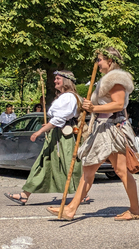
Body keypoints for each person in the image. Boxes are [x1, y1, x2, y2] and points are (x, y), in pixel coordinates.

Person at [46, 48, 139, 221]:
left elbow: (118, 105)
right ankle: (71, 209)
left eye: (100, 60)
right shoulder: (107, 80)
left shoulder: (116, 79)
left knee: (121, 171)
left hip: (112, 129)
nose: (97, 63)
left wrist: (94, 108)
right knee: (89, 170)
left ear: (110, 61)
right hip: (102, 128)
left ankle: (135, 210)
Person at [4, 71, 90, 206]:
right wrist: (50, 126)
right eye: (55, 78)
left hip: (64, 137)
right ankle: (24, 195)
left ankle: (82, 194)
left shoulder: (68, 97)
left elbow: (60, 119)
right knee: (43, 163)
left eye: (58, 79)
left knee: (69, 165)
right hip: (58, 134)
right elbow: (58, 119)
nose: (55, 81)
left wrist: (39, 132)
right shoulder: (64, 97)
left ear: (66, 81)